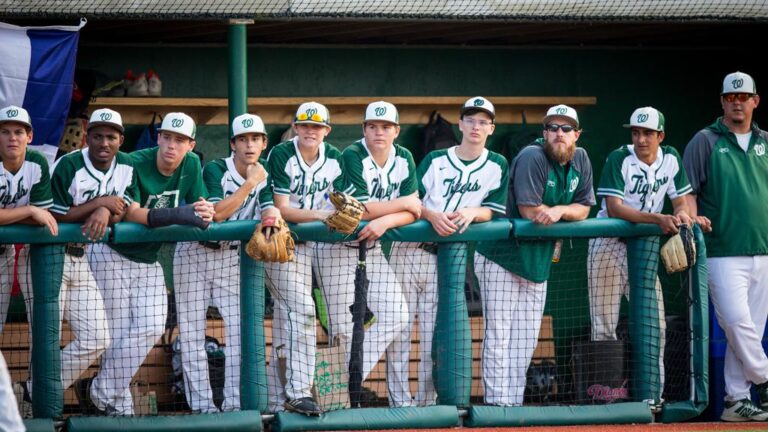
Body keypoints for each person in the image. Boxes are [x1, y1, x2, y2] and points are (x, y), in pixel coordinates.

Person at [78, 112, 214, 415]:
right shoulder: (134, 161)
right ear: (159, 137)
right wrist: (180, 214)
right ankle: (119, 405)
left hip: (149, 259)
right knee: (116, 335)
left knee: (152, 326)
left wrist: (203, 210)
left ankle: (98, 392)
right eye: (167, 137)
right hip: (112, 255)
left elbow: (201, 203)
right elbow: (131, 213)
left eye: (180, 140)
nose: (171, 145)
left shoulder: (191, 165)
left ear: (191, 145)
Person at [390, 97, 508, 406]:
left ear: (491, 128)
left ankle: (426, 408)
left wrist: (474, 212)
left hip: (445, 261)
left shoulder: (497, 164)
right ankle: (398, 406)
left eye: (483, 121)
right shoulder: (436, 158)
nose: (476, 126)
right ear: (460, 124)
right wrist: (430, 215)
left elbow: (494, 210)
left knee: (434, 338)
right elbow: (412, 201)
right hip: (409, 251)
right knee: (400, 334)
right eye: (470, 119)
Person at [475, 104, 595, 406]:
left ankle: (512, 405)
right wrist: (556, 213)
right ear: (544, 133)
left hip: (538, 260)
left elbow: (584, 208)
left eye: (566, 129)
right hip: (502, 256)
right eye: (553, 128)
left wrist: (560, 210)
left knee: (526, 340)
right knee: (499, 337)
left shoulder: (581, 158)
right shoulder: (532, 155)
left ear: (577, 134)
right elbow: (530, 211)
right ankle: (496, 406)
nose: (559, 133)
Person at [18, 108, 136, 415]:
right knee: (46, 337)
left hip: (81, 258)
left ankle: (34, 391)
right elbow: (53, 214)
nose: (104, 142)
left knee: (98, 337)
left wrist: (107, 211)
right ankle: (37, 411)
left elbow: (124, 208)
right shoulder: (68, 164)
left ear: (120, 140)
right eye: (97, 135)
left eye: (111, 136)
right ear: (87, 137)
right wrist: (100, 203)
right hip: (48, 257)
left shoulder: (127, 165)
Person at [587, 106, 693, 400]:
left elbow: (682, 200)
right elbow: (615, 208)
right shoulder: (620, 157)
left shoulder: (671, 157)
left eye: (647, 133)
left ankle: (653, 397)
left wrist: (683, 214)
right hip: (608, 244)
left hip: (643, 248)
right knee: (604, 324)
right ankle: (605, 397)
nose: (641, 139)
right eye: (636, 132)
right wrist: (658, 219)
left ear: (661, 135)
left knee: (654, 324)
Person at [173, 113, 277, 413]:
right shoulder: (216, 168)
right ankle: (203, 407)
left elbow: (269, 206)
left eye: (255, 138)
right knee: (192, 334)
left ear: (263, 142)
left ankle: (233, 405)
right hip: (195, 253)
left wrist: (272, 217)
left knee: (241, 331)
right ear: (232, 143)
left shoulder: (265, 172)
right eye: (242, 139)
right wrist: (249, 184)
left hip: (231, 257)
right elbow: (217, 214)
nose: (249, 145)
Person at [683, 71, 768, 422]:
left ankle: (736, 401)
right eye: (730, 97)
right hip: (721, 250)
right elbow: (685, 193)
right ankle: (764, 377)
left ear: (754, 101)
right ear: (722, 101)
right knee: (735, 323)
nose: (737, 102)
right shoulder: (705, 140)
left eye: (743, 96)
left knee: (750, 327)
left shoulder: (766, 141)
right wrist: (691, 220)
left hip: (763, 250)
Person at [265, 102, 349, 416]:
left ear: (326, 130)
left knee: (287, 324)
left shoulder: (336, 158)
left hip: (313, 247)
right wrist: (321, 216)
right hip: (281, 245)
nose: (310, 131)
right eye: (305, 125)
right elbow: (283, 208)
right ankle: (299, 392)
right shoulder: (282, 154)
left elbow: (339, 201)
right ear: (295, 128)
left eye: (317, 127)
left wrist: (342, 211)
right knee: (302, 311)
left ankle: (276, 402)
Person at [340, 101, 419, 407]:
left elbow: (414, 212)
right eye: (372, 126)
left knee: (397, 315)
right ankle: (339, 390)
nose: (379, 132)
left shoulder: (405, 158)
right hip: (335, 249)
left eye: (386, 127)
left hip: (371, 247)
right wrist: (404, 205)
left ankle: (345, 384)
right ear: (364, 129)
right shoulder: (352, 154)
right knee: (343, 330)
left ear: (396, 131)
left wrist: (386, 220)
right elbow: (360, 209)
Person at [0, 105, 57, 419]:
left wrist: (30, 214)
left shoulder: (36, 163)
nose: (12, 137)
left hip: (6, 253)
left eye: (19, 131)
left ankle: (25, 404)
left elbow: (45, 217)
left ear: (29, 136)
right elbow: (36, 214)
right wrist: (28, 211)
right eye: (5, 131)